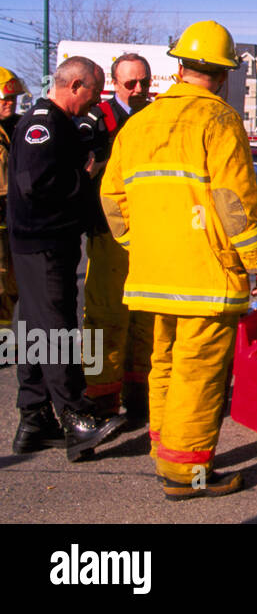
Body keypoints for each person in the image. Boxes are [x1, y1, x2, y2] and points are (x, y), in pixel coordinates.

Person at [101, 21, 257, 500]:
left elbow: (112, 197)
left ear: (179, 66)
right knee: (199, 370)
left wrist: (140, 242)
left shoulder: (138, 122)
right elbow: (234, 199)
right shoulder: (219, 120)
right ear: (223, 74)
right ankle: (186, 473)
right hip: (206, 274)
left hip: (155, 272)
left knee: (165, 361)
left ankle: (166, 448)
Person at [8, 57, 127, 460]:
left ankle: (36, 415)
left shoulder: (57, 123)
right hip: (43, 243)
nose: (94, 104)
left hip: (40, 243)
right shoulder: (44, 123)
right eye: (92, 94)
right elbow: (36, 181)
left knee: (34, 328)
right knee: (57, 329)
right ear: (74, 85)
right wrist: (86, 175)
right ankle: (76, 415)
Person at [81, 54, 154, 423]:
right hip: (108, 231)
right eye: (130, 83)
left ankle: (139, 395)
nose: (139, 89)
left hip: (150, 234)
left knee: (145, 318)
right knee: (104, 317)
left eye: (144, 81)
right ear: (115, 84)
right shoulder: (98, 120)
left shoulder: (157, 119)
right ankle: (100, 401)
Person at [0, 67, 27, 331]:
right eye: (4, 99)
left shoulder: (21, 127)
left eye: (13, 99)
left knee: (12, 285)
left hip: (15, 218)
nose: (10, 103)